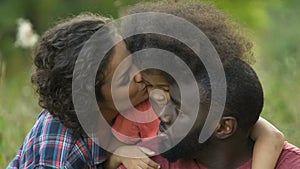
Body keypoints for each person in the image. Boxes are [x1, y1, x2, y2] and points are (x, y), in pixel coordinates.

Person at [108, 1, 285, 168]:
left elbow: (271, 136)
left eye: (164, 88)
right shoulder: (131, 109)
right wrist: (118, 155)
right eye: (147, 84)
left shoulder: (199, 106)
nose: (159, 100)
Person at [7, 13, 159, 169]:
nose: (141, 75)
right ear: (91, 99)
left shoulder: (124, 107)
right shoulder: (63, 152)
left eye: (132, 59)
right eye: (125, 78)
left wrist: (113, 158)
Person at [149, 58, 300, 169]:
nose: (163, 115)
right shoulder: (147, 161)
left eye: (180, 111)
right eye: (169, 100)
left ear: (223, 127)